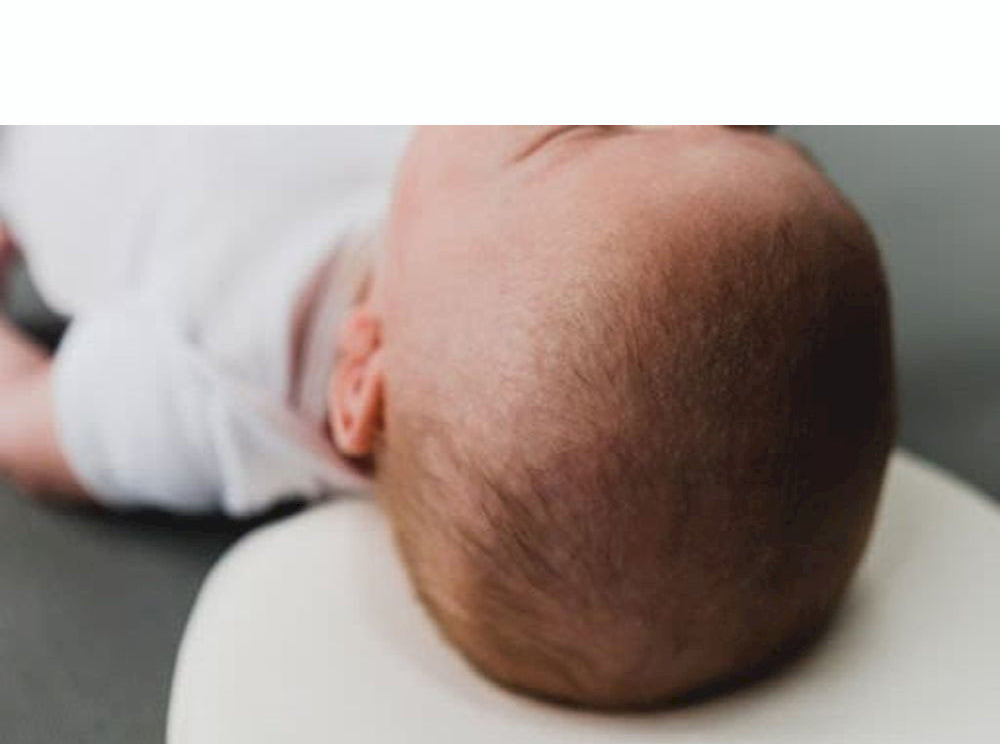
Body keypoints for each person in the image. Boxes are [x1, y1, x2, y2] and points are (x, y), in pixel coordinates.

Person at [0, 126, 896, 709]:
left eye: (568, 133)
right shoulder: (488, 230)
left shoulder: (219, 387)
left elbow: (30, 419)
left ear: (363, 378)